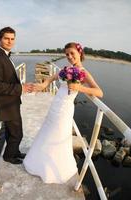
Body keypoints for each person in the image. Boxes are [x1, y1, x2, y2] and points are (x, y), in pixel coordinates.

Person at [23, 42, 103, 183]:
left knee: (58, 134)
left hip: (65, 109)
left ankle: (54, 168)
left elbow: (99, 92)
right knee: (47, 132)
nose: (70, 56)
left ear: (80, 53)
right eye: (67, 54)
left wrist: (80, 87)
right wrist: (43, 85)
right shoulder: (66, 69)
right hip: (55, 106)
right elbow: (52, 78)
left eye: (72, 53)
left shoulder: (84, 72)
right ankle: (39, 162)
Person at [0, 27, 33, 164]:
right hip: (6, 104)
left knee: (11, 132)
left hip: (12, 102)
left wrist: (19, 89)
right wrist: (20, 88)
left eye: (12, 39)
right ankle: (9, 156)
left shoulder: (5, 55)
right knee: (17, 133)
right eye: (6, 38)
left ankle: (15, 152)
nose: (10, 41)